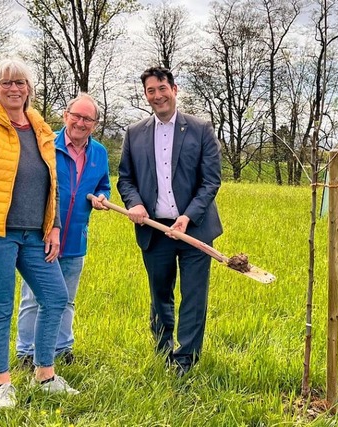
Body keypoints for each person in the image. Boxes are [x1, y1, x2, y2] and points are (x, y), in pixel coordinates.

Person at [0, 58, 79, 409]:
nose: (14, 88)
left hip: (34, 236)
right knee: (0, 306)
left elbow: (52, 183)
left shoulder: (41, 129)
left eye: (20, 82)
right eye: (6, 82)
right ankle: (2, 383)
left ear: (29, 88)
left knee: (55, 297)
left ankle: (45, 375)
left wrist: (54, 226)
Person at [117, 66, 222, 377]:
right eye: (151, 90)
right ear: (146, 95)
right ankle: (163, 350)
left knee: (193, 295)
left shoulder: (201, 129)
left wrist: (188, 217)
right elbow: (126, 179)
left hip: (195, 230)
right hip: (155, 230)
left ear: (175, 90)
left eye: (162, 88)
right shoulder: (134, 133)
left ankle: (186, 358)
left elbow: (211, 181)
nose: (157, 95)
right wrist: (134, 203)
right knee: (159, 292)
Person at [16, 93, 111, 366]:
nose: (80, 123)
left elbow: (103, 185)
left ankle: (61, 349)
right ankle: (27, 352)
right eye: (76, 116)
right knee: (34, 298)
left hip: (75, 239)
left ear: (95, 123)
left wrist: (102, 196)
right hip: (40, 237)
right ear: (66, 115)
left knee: (66, 300)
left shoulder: (100, 154)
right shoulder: (45, 144)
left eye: (88, 119)